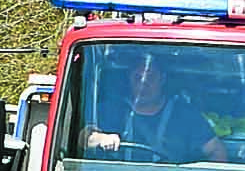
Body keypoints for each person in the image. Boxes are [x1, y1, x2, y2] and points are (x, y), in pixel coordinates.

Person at [86, 54, 227, 163]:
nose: (143, 83)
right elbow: (82, 138)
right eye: (137, 77)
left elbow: (216, 150)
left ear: (162, 79)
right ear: (129, 78)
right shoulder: (112, 109)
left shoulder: (185, 115)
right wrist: (101, 138)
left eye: (150, 77)